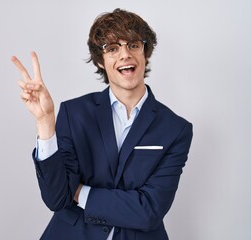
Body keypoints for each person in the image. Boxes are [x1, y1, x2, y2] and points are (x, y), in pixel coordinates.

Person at [11, 8, 193, 240]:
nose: (125, 54)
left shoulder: (175, 129)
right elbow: (57, 198)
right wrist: (45, 122)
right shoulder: (73, 113)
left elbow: (149, 211)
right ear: (100, 60)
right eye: (113, 48)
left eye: (133, 45)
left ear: (145, 53)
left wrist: (79, 192)